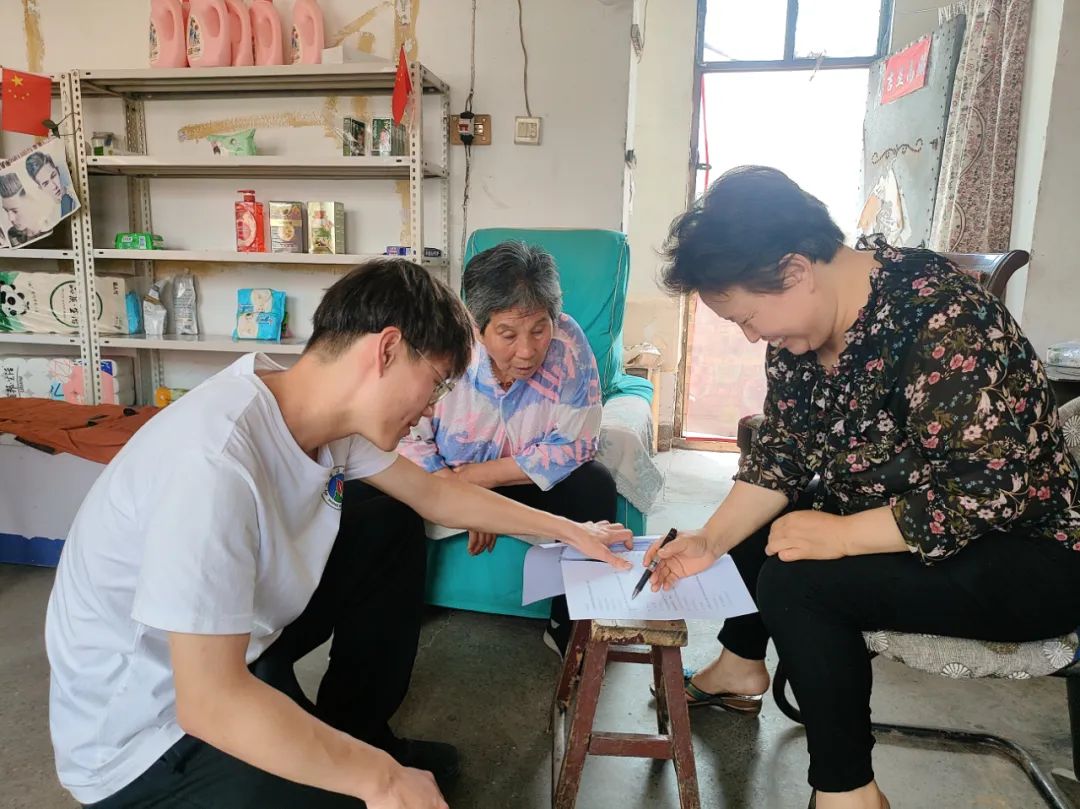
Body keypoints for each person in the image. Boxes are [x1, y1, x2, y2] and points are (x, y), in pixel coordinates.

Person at [46, 259, 633, 809]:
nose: (432, 410)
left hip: (236, 645)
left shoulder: (313, 413)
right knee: (364, 796)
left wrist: (570, 531)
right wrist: (381, 781)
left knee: (389, 522)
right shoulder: (213, 465)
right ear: (386, 350)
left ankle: (360, 728)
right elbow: (209, 702)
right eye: (435, 385)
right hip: (151, 733)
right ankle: (356, 757)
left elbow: (436, 495)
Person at [645, 166, 1080, 809]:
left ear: (795, 270)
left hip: (1028, 554)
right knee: (775, 521)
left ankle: (848, 794)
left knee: (798, 581)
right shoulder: (802, 336)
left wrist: (846, 535)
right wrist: (709, 540)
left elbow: (989, 489)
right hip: (924, 524)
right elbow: (784, 453)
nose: (753, 336)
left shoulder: (942, 317)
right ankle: (740, 665)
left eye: (748, 317)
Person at [398, 241, 613, 657]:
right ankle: (404, 614)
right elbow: (407, 436)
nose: (528, 351)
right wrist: (461, 499)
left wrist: (480, 484)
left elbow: (577, 441)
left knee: (593, 484)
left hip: (510, 477)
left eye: (539, 329)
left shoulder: (568, 343)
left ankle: (570, 628)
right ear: (476, 326)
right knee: (386, 497)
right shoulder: (442, 344)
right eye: (508, 334)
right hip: (443, 478)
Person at [0, 172, 50, 245]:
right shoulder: (11, 235)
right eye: (6, 210)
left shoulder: (49, 226)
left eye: (15, 211)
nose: (10, 219)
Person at [26, 150, 76, 218]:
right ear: (41, 188)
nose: (54, 186)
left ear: (58, 171)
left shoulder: (76, 193)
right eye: (46, 183)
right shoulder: (50, 217)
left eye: (53, 176)